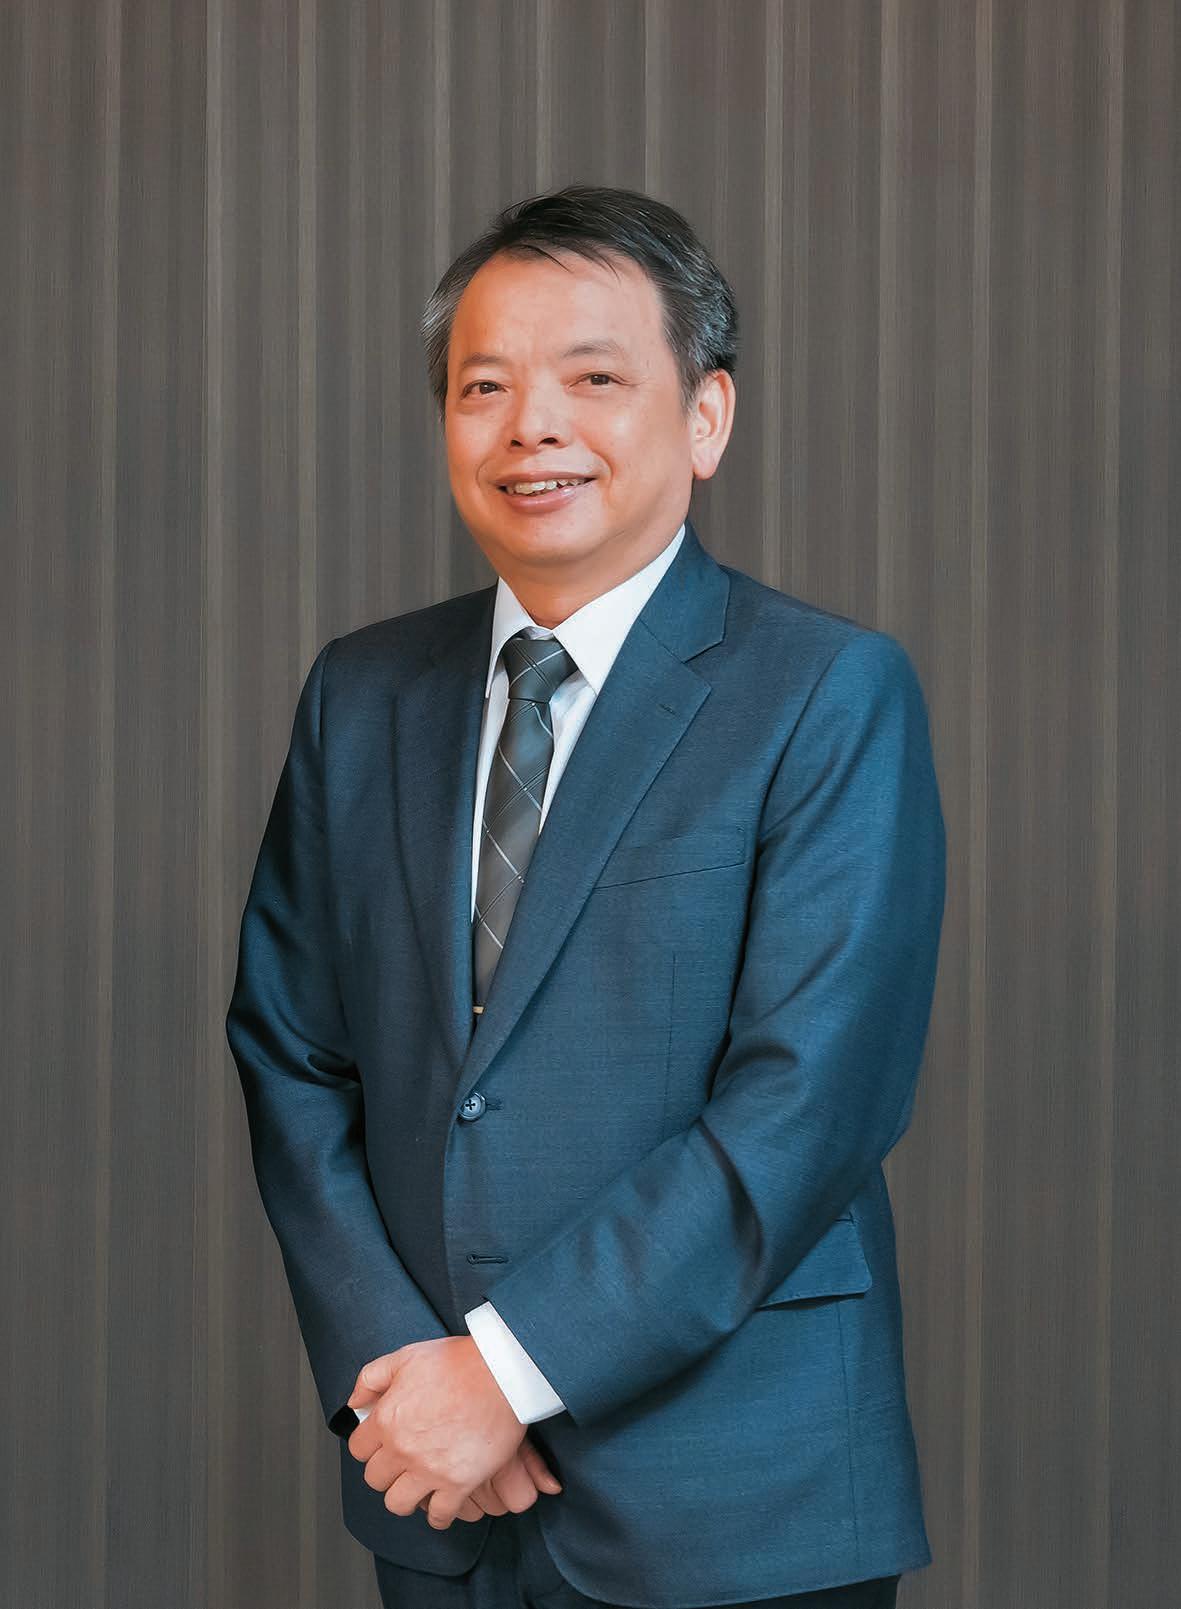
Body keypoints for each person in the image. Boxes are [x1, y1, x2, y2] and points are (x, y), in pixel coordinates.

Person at [225, 184, 945, 1609]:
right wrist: (405, 1373)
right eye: (483, 386)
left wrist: (506, 1372)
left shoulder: (824, 692)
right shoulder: (363, 693)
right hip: (439, 1488)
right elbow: (290, 1052)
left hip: (736, 1500)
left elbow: (810, 1102)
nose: (530, 426)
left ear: (706, 417)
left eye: (594, 379)